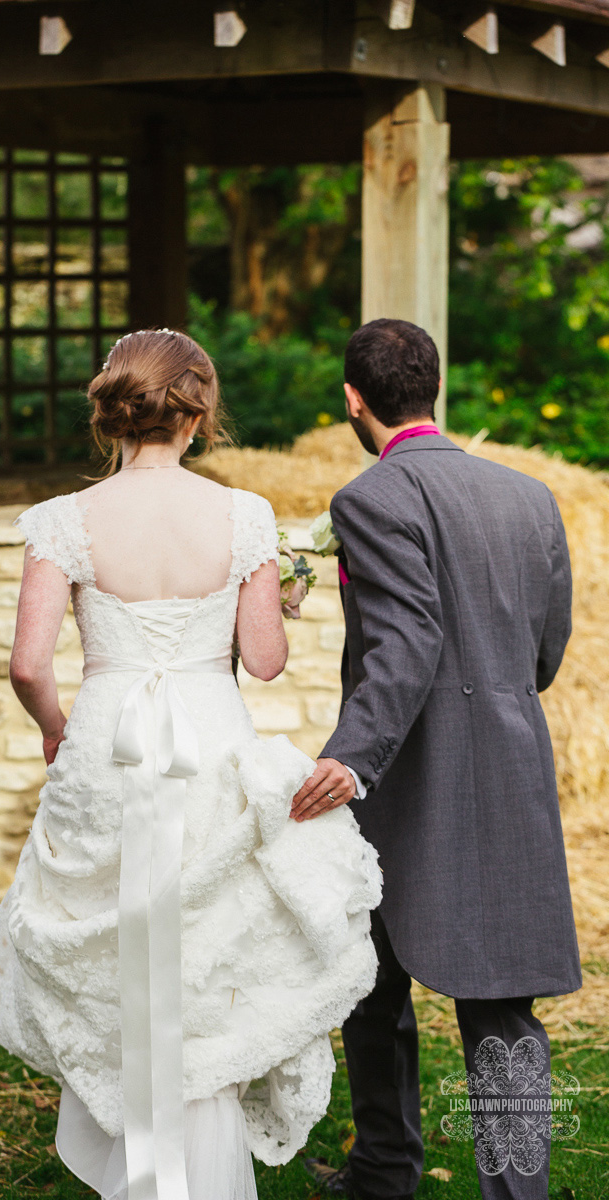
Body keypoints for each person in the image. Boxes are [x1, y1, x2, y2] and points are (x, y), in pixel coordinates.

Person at [0, 328, 383, 1200]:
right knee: (207, 949)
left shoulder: (61, 521)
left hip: (106, 744)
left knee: (114, 948)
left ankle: (132, 1164)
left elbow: (28, 664)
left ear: (114, 415)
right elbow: (263, 661)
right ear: (198, 412)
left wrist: (55, 727)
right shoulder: (244, 516)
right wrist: (277, 599)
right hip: (207, 745)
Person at [293, 318, 581, 1200]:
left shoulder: (370, 499)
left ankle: (386, 1166)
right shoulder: (531, 496)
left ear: (353, 401)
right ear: (433, 388)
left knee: (372, 990)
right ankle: (491, 1186)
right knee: (497, 1004)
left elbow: (408, 636)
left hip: (403, 784)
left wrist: (353, 756)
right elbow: (546, 648)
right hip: (508, 766)